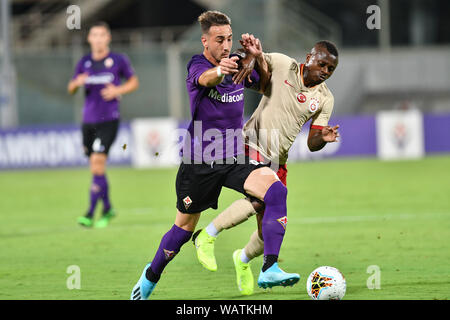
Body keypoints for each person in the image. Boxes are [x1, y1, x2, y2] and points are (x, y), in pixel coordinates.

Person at [130, 10, 299, 300]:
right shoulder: (198, 64)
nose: (226, 45)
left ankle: (269, 268)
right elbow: (205, 79)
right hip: (200, 162)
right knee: (182, 231)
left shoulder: (237, 63)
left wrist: (257, 57)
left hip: (234, 156)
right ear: (205, 42)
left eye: (229, 39)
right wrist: (222, 70)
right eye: (220, 40)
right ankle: (150, 276)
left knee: (276, 191)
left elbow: (264, 86)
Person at [193, 35, 340, 295]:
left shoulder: (325, 98)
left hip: (278, 160)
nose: (326, 72)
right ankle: (209, 235)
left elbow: (312, 142)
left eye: (331, 69)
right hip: (252, 144)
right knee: (261, 201)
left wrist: (323, 137)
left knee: (269, 231)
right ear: (310, 58)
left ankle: (243, 259)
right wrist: (251, 57)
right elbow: (255, 61)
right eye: (323, 65)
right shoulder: (284, 64)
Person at [67, 22, 139, 228]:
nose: (98, 39)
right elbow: (71, 88)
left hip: (108, 120)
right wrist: (76, 83)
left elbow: (134, 82)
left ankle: (90, 213)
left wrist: (118, 91)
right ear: (89, 39)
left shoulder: (117, 60)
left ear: (107, 38)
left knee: (98, 162)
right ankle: (107, 208)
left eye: (101, 35)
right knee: (95, 168)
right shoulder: (84, 62)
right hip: (88, 121)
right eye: (94, 35)